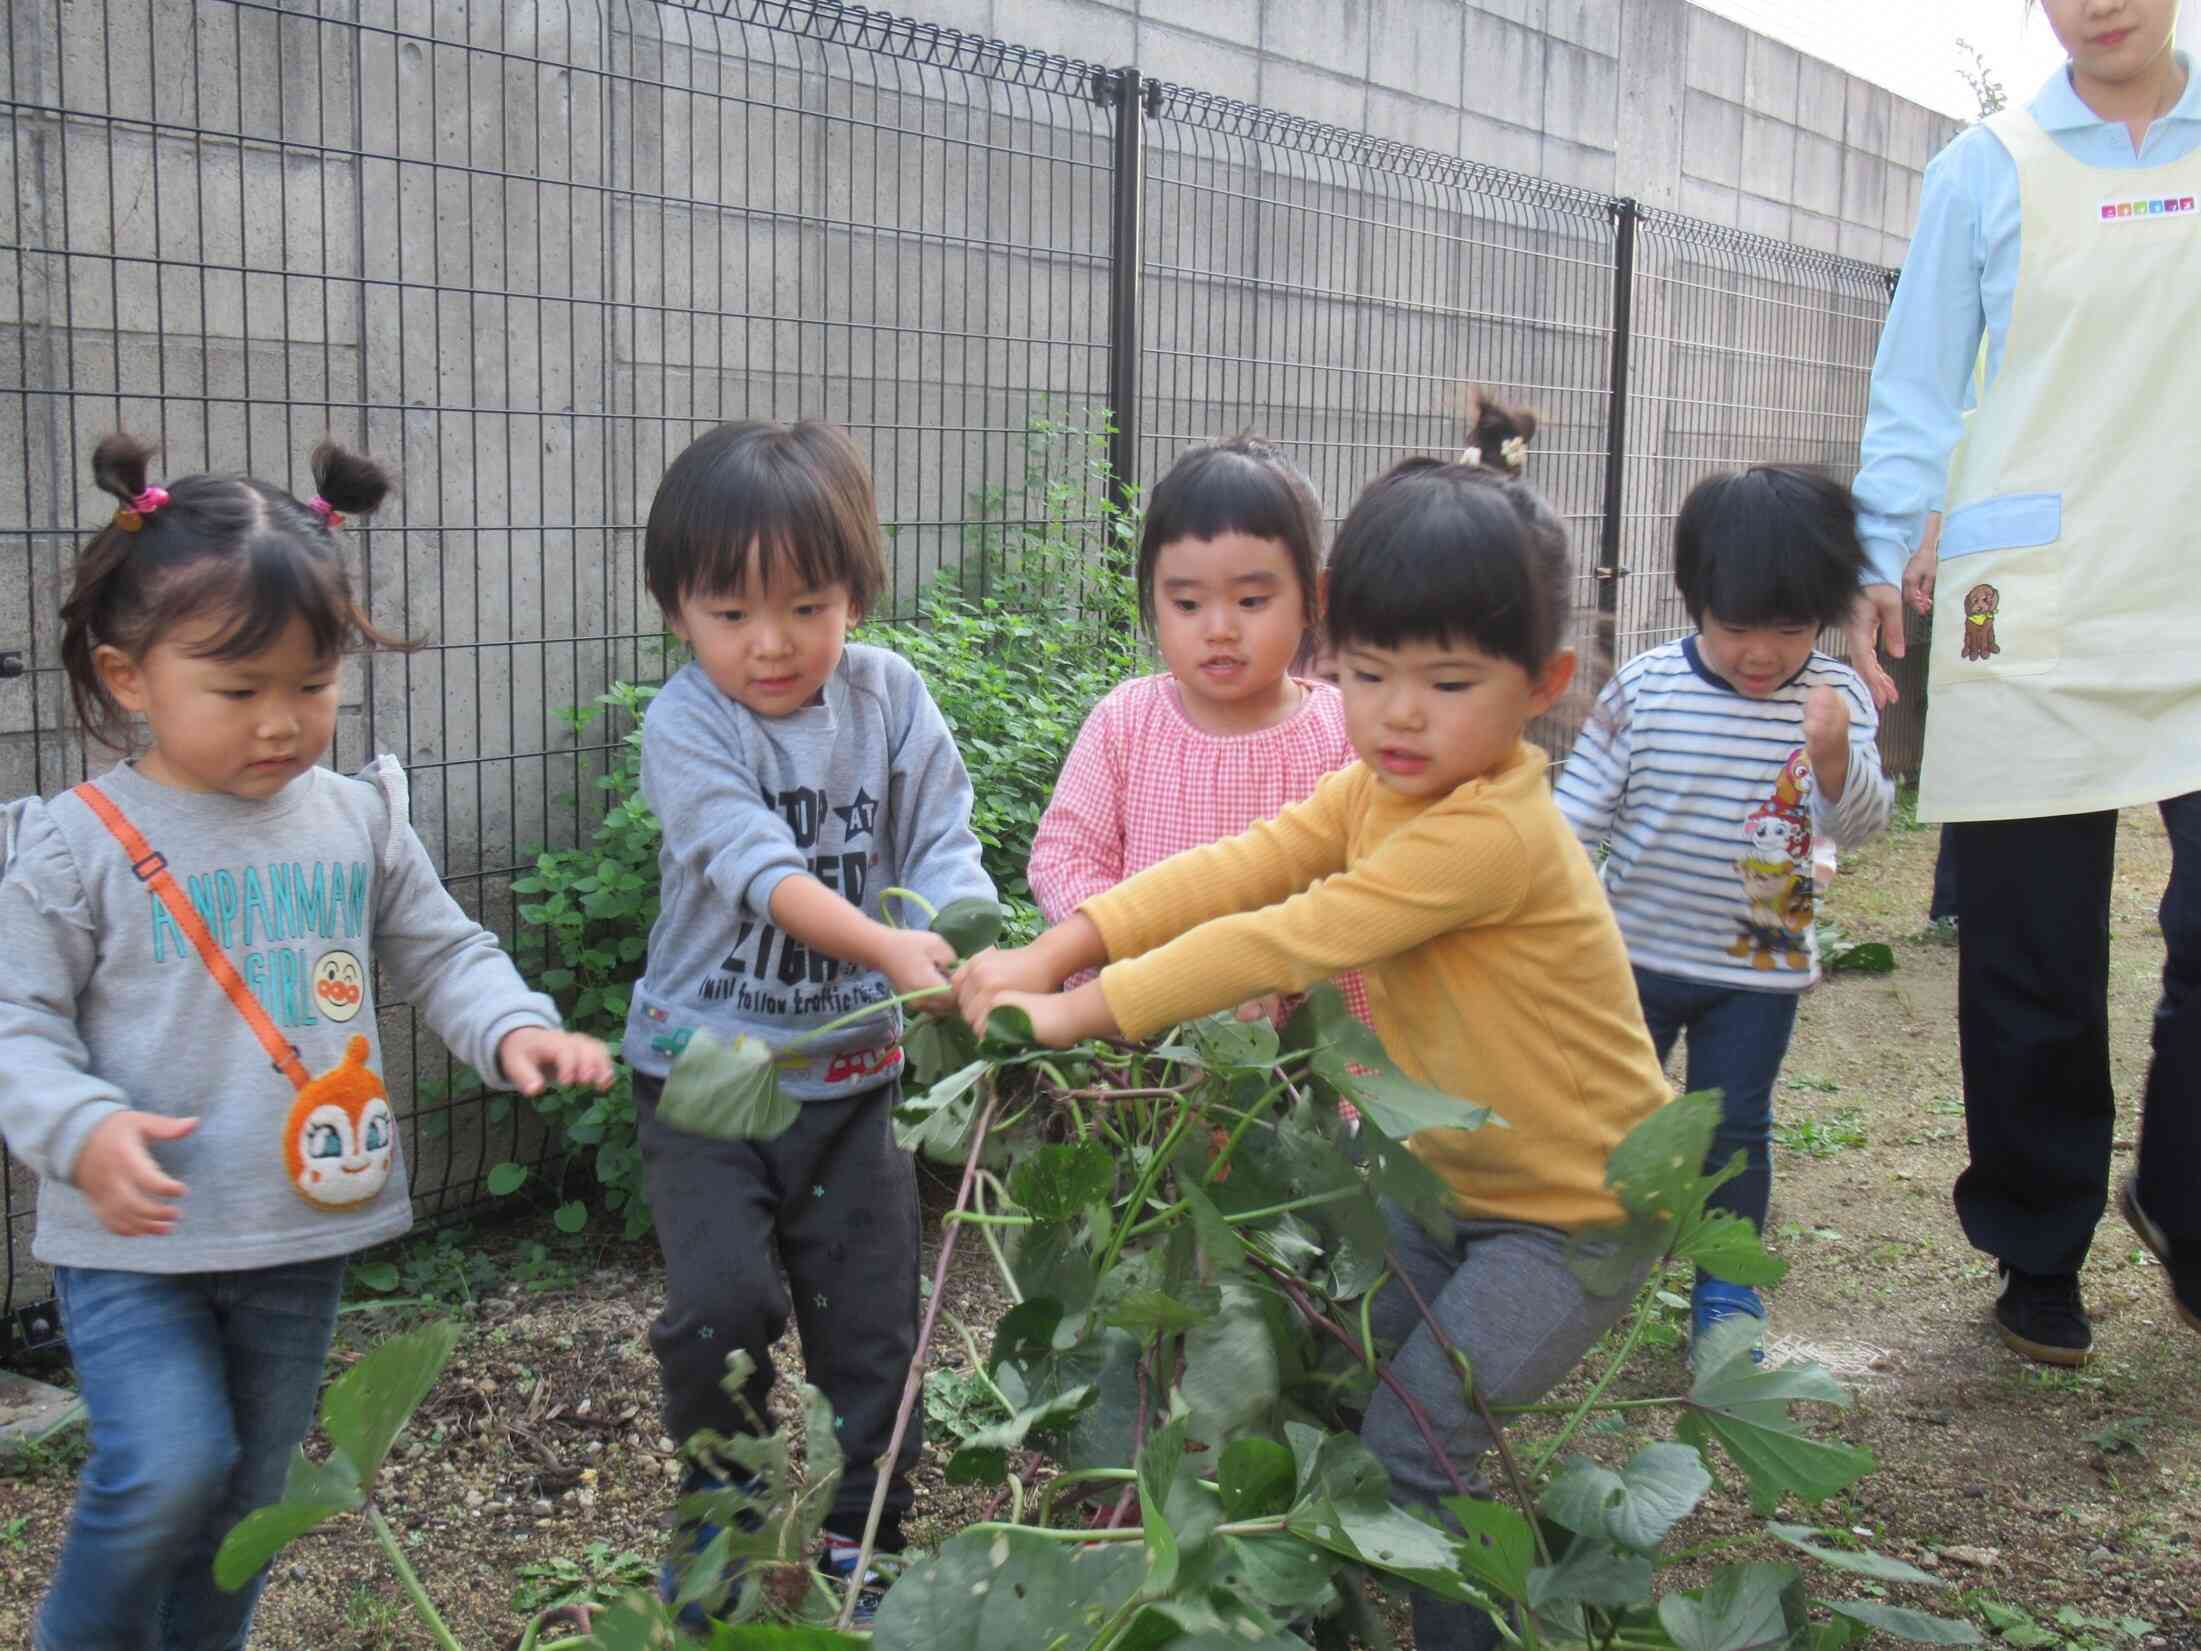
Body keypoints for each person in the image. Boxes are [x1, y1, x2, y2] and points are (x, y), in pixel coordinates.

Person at [954, 399, 1671, 1651]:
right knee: (1339, 1406)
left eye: (1446, 682)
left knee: (1411, 1448)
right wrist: (1056, 942)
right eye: (1368, 674)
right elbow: (1238, 869)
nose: (1397, 714)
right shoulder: (1376, 783)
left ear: (1542, 686)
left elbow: (1283, 936)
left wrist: (1071, 1013)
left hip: (1571, 1214)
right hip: (1439, 1182)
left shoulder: (1486, 832)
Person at [0, 434, 614, 1651]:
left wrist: (517, 1027)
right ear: (128, 676)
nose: (285, 722)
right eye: (240, 691)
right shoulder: (76, 843)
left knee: (250, 1505)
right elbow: (16, 1021)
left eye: (313, 683)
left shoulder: (355, 818)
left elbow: (441, 950)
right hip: (141, 1239)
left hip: (298, 1230)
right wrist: (79, 1125)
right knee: (169, 1465)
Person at [1845, 0, 2201, 1361]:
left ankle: (2179, 1191)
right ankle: (2036, 1238)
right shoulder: (1982, 169)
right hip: (2033, 593)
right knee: (2028, 951)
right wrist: (1883, 551)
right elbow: (1918, 386)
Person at [621, 419, 994, 1622]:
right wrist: (890, 942)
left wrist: (961, 939)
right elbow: (757, 867)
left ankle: (861, 1532)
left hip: (854, 1077)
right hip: (707, 1076)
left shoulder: (892, 701)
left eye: (806, 605)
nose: (769, 643)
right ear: (678, 609)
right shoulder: (689, 723)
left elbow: (942, 835)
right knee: (720, 1307)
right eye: (730, 611)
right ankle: (722, 1517)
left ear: (855, 593)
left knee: (874, 1322)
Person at [1555, 467, 1894, 1358]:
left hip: (1757, 966)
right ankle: (1583, 1256)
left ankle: (1726, 1281)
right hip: (1630, 956)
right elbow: (1573, 818)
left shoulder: (1833, 699)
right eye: (1737, 625)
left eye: (1788, 629)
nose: (1760, 651)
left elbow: (1858, 824)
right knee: (1606, 1114)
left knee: (1734, 1123)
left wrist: (1831, 762)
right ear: (1695, 597)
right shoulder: (1645, 688)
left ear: (1820, 613)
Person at [1026, 435, 1370, 1028]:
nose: (1219, 629)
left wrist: (1273, 978)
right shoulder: (1126, 720)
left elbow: (1363, 888)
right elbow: (1064, 855)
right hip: (1135, 1040)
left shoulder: (1343, 731)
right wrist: (1141, 957)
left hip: (1303, 1052)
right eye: (1187, 604)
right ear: (1153, 599)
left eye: (1252, 600)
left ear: (1312, 599)